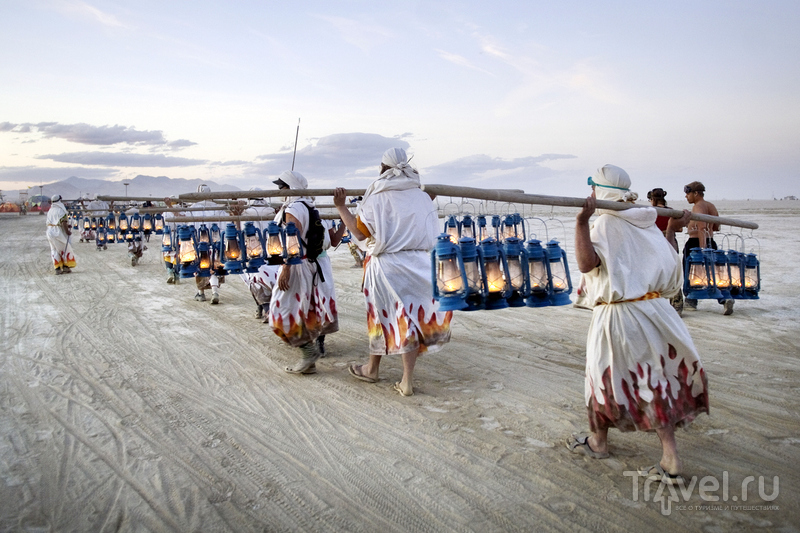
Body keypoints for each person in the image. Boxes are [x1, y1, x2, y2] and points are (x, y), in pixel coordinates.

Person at [567, 164, 708, 486]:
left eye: (592, 189)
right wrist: (671, 229)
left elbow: (588, 264)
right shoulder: (645, 223)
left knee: (603, 377)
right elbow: (669, 261)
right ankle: (668, 455)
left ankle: (599, 442)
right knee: (655, 380)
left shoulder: (606, 223)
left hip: (621, 316)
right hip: (657, 312)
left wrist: (580, 222)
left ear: (599, 192)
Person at [333, 147, 452, 396]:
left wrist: (341, 207)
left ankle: (385, 375)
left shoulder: (376, 197)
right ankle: (389, 374)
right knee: (411, 318)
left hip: (388, 267)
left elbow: (358, 234)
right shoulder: (421, 197)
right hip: (420, 265)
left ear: (382, 168)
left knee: (386, 318)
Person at [268, 171, 339, 374]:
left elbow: (293, 239)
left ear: (290, 188)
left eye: (282, 187)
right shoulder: (309, 205)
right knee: (304, 310)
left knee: (279, 311)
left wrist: (286, 269)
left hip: (298, 266)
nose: (279, 191)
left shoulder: (293, 209)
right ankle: (310, 363)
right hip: (311, 265)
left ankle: (308, 352)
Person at [681, 181, 734, 315]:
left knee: (691, 271)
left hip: (696, 243)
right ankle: (724, 298)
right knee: (714, 272)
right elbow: (716, 226)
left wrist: (702, 248)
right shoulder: (711, 206)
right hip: (711, 241)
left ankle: (691, 300)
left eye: (688, 193)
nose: (686, 196)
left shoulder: (698, 207)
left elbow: (702, 227)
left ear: (696, 193)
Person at [647, 188, 688, 316]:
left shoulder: (650, 212)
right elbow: (680, 229)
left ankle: (656, 303)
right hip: (671, 242)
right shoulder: (672, 212)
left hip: (655, 242)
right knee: (672, 271)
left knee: (654, 273)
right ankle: (677, 304)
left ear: (652, 199)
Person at [240, 190, 278, 321]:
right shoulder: (273, 211)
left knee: (253, 280)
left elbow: (241, 232)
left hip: (254, 253)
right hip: (274, 252)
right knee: (272, 281)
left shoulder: (245, 212)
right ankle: (265, 308)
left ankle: (267, 310)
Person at [190, 184, 226, 304]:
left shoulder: (193, 208)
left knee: (199, 268)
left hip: (200, 245)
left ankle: (201, 294)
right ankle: (215, 292)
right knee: (214, 268)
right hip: (216, 245)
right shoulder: (218, 209)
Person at [46, 194, 76, 274]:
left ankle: (58, 268)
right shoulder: (61, 210)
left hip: (50, 231)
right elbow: (63, 222)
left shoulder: (50, 210)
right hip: (58, 232)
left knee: (54, 249)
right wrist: (67, 231)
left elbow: (55, 222)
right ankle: (66, 267)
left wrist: (66, 225)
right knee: (65, 248)